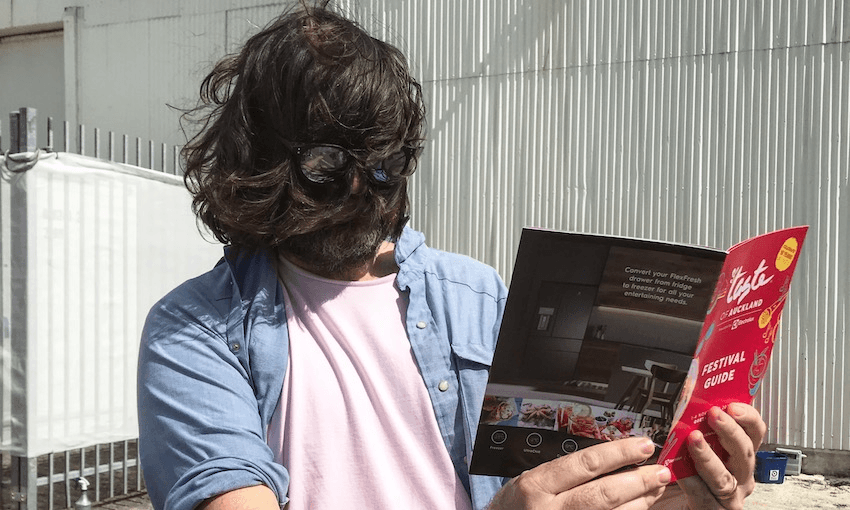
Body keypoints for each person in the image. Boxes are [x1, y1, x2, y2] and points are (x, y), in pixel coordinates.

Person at [137, 3, 765, 509]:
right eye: (324, 166)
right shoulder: (195, 331)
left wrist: (682, 489)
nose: (359, 191)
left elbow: (571, 482)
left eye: (383, 166)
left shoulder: (478, 298)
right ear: (260, 160)